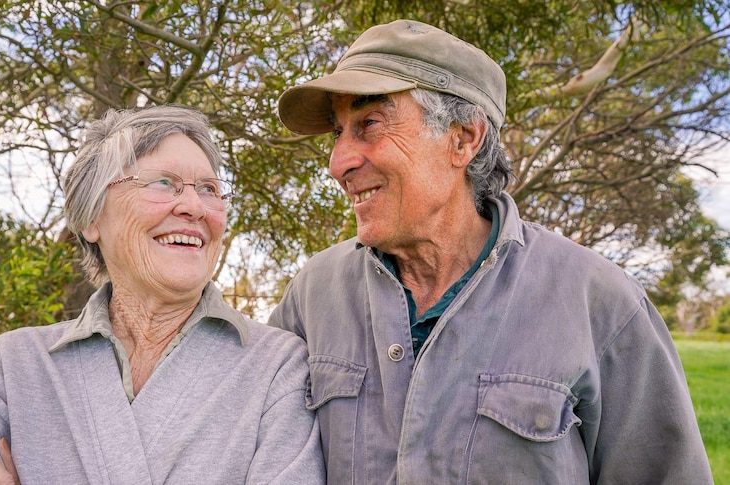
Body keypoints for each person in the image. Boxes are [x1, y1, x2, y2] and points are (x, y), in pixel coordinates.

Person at [269, 18, 713, 484]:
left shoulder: (603, 304)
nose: (338, 162)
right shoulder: (312, 295)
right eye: (338, 133)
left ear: (463, 138)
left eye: (370, 124)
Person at [0, 105, 325, 484]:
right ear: (91, 218)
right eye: (164, 183)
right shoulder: (8, 368)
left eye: (209, 188)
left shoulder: (276, 367)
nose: (195, 207)